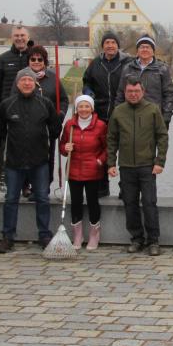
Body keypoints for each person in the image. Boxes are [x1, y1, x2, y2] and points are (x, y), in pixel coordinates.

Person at [0, 67, 62, 253]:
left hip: (39, 161)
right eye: (23, 80)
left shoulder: (45, 104)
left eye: (30, 80)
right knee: (11, 200)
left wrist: (59, 119)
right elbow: (0, 131)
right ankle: (8, 236)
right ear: (17, 83)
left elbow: (55, 129)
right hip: (14, 162)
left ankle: (44, 235)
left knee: (42, 198)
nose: (26, 83)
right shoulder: (6, 105)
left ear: (35, 83)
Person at [107, 77, 169, 255]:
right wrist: (111, 163)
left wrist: (160, 161)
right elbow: (111, 139)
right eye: (129, 92)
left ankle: (153, 241)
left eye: (136, 91)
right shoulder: (118, 111)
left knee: (149, 203)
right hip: (126, 166)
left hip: (148, 166)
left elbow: (162, 137)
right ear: (125, 93)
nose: (133, 94)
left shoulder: (153, 110)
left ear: (143, 92)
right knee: (130, 204)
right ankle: (136, 238)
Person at [11, 45, 69, 188]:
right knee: (25, 154)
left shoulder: (53, 77)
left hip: (48, 126)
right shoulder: (21, 77)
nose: (36, 61)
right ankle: (25, 185)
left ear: (44, 61)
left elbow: (63, 99)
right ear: (28, 60)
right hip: (26, 126)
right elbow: (12, 99)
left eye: (40, 59)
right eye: (33, 59)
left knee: (48, 156)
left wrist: (60, 114)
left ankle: (44, 186)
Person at [82, 31, 132, 197]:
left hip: (123, 112)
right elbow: (87, 82)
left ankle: (125, 187)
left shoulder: (127, 62)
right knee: (102, 150)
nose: (110, 45)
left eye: (113, 42)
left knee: (125, 150)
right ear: (102, 46)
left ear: (118, 45)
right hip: (101, 112)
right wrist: (89, 95)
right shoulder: (95, 63)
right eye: (107, 42)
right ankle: (102, 186)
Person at [60, 95, 108, 250]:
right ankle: (78, 235)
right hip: (73, 170)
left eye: (87, 106)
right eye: (81, 106)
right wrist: (65, 148)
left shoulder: (100, 125)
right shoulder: (70, 125)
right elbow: (62, 146)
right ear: (76, 108)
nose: (84, 109)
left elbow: (107, 147)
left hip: (93, 170)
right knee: (75, 203)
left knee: (93, 202)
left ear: (92, 108)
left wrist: (99, 161)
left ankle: (94, 234)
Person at [115, 35, 173, 124]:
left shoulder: (162, 69)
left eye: (148, 47)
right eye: (142, 47)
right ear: (137, 51)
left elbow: (169, 94)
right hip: (130, 116)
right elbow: (120, 93)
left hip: (154, 117)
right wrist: (118, 113)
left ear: (153, 51)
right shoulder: (127, 68)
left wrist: (166, 117)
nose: (145, 49)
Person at [0, 24, 33, 112]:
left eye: (22, 35)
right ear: (12, 38)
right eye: (16, 35)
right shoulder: (3, 58)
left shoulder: (35, 58)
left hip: (31, 106)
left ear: (28, 37)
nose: (19, 38)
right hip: (8, 107)